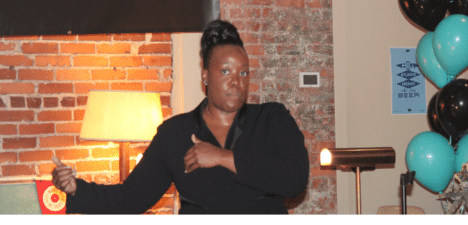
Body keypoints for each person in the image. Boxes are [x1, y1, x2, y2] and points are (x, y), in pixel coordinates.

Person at [51, 19, 310, 214]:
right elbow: (132, 197)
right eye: (225, 71)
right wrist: (76, 189)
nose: (236, 82)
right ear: (206, 76)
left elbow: (294, 181)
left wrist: (222, 157)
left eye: (243, 73)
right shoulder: (175, 133)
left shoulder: (271, 119)